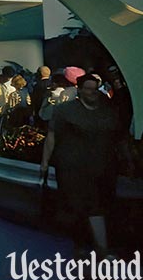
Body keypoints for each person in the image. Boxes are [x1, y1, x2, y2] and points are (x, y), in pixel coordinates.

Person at [39, 73, 123, 254]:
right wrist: (44, 162)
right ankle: (95, 248)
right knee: (83, 207)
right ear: (80, 90)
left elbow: (116, 137)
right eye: (88, 89)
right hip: (73, 167)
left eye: (95, 89)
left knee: (97, 205)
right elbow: (52, 136)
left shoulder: (107, 110)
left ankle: (92, 246)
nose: (93, 93)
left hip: (102, 165)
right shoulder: (65, 111)